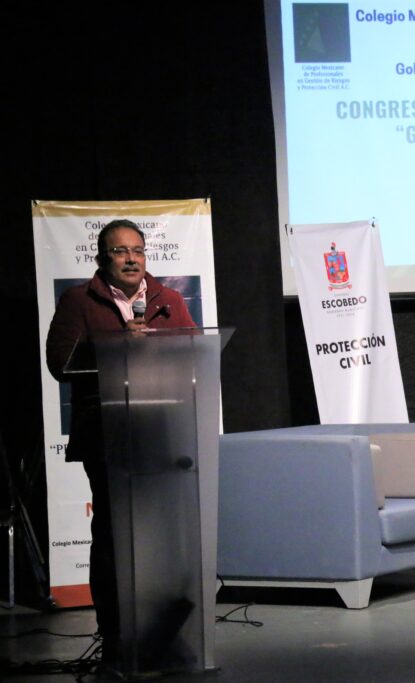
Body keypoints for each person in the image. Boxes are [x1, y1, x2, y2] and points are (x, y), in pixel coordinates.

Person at [45, 219, 196, 668]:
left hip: (162, 430)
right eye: (120, 251)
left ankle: (166, 633)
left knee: (166, 535)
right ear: (102, 258)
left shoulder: (168, 300)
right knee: (114, 534)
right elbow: (60, 363)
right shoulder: (79, 301)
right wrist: (116, 347)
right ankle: (116, 638)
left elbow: (194, 353)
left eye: (138, 250)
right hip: (106, 433)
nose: (131, 259)